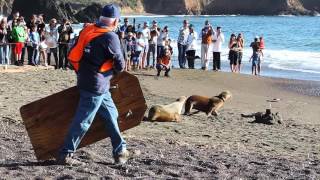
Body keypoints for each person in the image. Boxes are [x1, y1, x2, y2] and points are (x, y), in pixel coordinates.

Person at [58, 4, 133, 165]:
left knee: (111, 115)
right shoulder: (110, 37)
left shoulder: (88, 29)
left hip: (87, 79)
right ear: (115, 21)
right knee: (83, 120)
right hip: (96, 85)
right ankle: (66, 153)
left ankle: (120, 150)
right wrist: (112, 70)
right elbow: (120, 64)